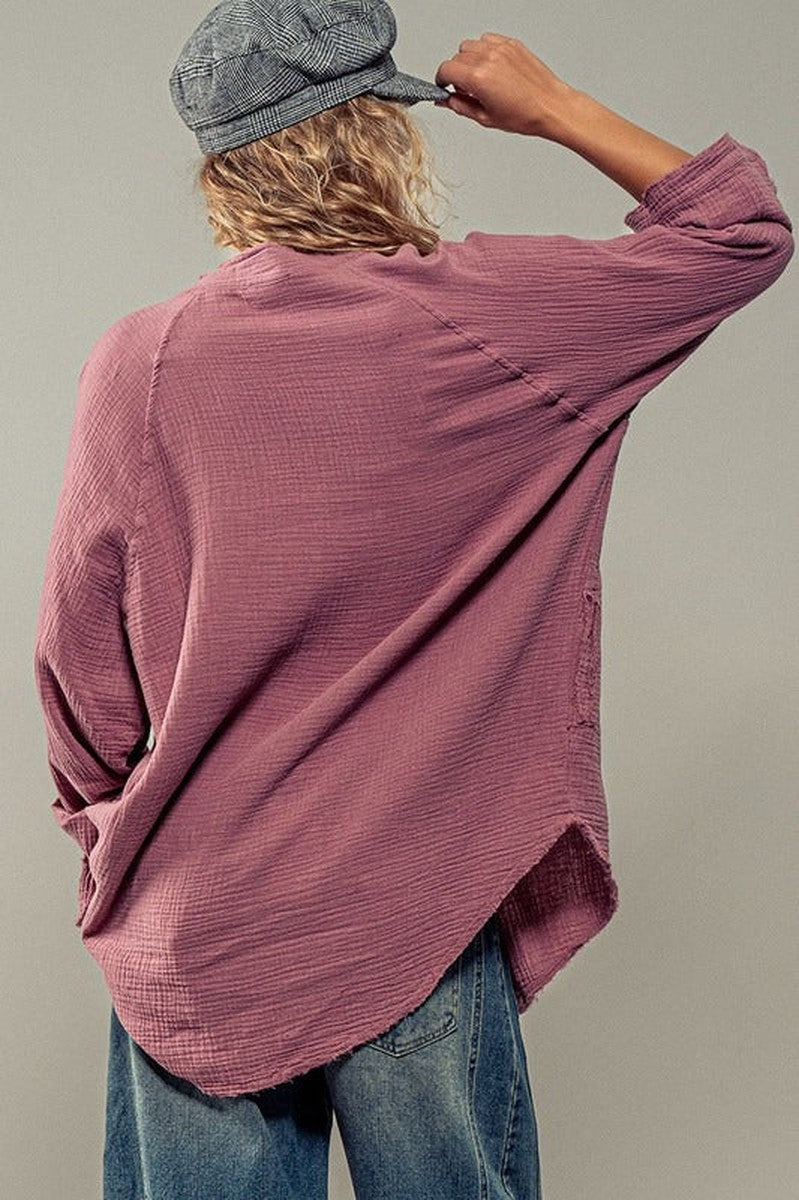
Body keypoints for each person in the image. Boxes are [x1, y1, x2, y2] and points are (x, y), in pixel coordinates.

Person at [32, 2, 793, 1198]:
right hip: (415, 907)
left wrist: (111, 834)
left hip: (200, 914)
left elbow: (81, 663)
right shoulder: (498, 319)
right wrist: (556, 109)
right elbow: (740, 230)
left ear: (225, 169)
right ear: (383, 134)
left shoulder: (146, 359)